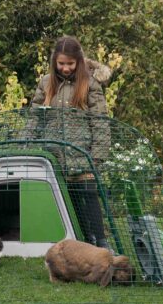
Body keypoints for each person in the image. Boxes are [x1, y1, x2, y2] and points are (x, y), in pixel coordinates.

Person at [31, 36, 113, 250]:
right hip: (54, 154)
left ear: (78, 61)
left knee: (88, 194)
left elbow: (100, 121)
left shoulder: (89, 84)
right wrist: (26, 143)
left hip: (82, 153)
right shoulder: (46, 83)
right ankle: (83, 242)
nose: (65, 68)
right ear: (54, 62)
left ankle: (101, 243)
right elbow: (34, 117)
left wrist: (98, 154)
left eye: (70, 63)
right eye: (61, 63)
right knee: (70, 200)